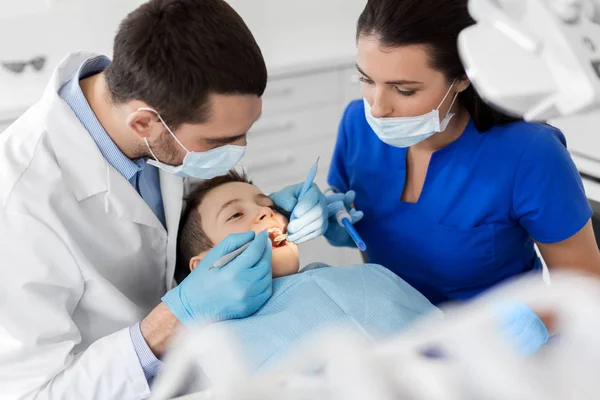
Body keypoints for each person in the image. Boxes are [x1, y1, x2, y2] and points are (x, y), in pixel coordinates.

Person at [0, 1, 329, 398]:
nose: (240, 150)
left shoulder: (150, 128)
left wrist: (258, 206)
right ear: (143, 123)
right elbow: (32, 392)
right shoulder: (19, 203)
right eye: (218, 142)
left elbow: (164, 218)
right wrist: (175, 318)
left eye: (245, 131)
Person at [324, 0, 600, 344]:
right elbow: (342, 203)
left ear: (461, 78)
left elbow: (583, 282)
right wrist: (329, 214)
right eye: (366, 80)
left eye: (404, 90)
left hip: (497, 351)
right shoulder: (357, 122)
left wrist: (529, 327)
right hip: (395, 343)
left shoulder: (530, 154)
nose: (378, 108)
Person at [174, 170, 438, 375]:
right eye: (235, 215)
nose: (266, 211)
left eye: (270, 206)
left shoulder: (363, 276)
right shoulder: (219, 347)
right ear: (204, 266)